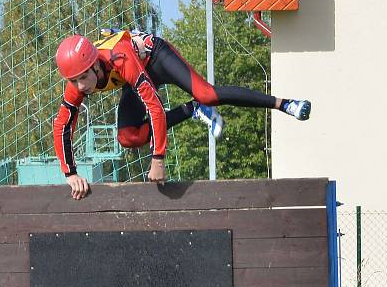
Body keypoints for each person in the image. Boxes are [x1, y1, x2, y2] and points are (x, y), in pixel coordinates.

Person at [52, 29, 311, 200]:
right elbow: (62, 125)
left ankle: (283, 103)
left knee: (207, 93)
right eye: (73, 81)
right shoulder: (77, 83)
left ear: (96, 63)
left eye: (83, 77)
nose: (81, 87)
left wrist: (158, 158)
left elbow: (154, 105)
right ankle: (194, 110)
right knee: (128, 137)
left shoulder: (120, 59)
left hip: (155, 59)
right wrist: (70, 173)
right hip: (136, 77)